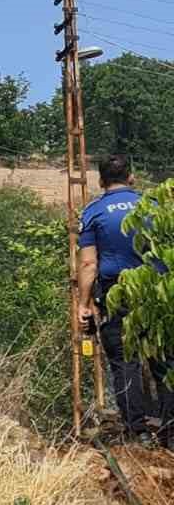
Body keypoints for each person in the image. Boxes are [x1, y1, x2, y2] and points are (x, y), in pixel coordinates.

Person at [79, 154, 172, 444]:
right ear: (131, 177)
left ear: (101, 181)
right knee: (165, 361)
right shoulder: (154, 206)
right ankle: (171, 430)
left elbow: (88, 264)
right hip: (157, 293)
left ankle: (139, 431)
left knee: (124, 362)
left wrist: (83, 304)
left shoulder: (93, 212)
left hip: (117, 293)